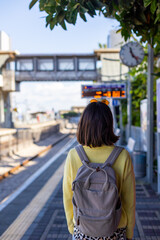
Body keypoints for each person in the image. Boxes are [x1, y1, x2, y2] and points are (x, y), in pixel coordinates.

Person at [63, 100, 135, 240]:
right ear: (109, 125)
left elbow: (67, 196)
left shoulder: (73, 155)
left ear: (83, 125)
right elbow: (129, 200)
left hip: (83, 229)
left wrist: (73, 227)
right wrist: (129, 232)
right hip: (116, 228)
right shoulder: (122, 155)